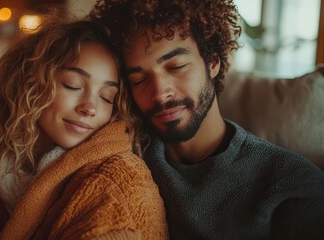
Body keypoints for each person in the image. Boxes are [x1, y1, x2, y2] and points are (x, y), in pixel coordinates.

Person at [0, 19, 168, 239]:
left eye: (107, 97)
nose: (90, 107)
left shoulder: (119, 183)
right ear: (31, 83)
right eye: (72, 84)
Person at [89, 0, 324, 239]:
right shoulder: (123, 154)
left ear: (212, 62)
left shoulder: (296, 185)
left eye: (176, 66)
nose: (159, 93)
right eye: (139, 80)